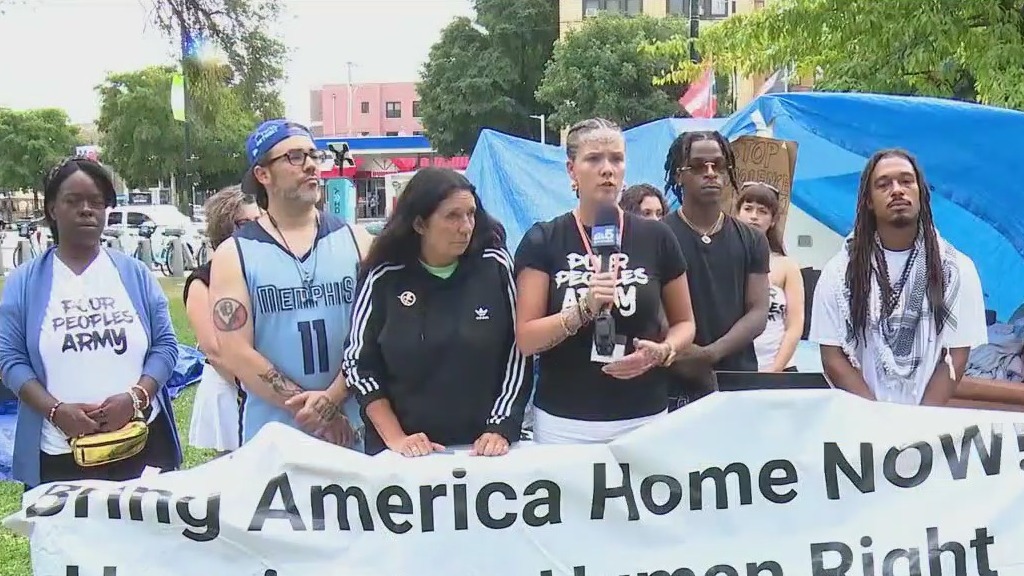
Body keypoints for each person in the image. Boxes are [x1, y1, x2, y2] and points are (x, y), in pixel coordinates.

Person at [0, 156, 181, 487]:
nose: (87, 210)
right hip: (59, 455)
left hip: (139, 445)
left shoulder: (135, 274)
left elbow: (166, 346)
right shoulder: (23, 283)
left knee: (141, 537)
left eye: (97, 202)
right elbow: (10, 360)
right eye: (74, 201)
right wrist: (56, 412)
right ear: (52, 208)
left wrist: (137, 397)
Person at [514, 118, 696, 444]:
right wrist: (583, 309)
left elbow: (685, 323)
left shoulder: (656, 236)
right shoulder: (545, 238)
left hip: (644, 417)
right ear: (572, 170)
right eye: (594, 159)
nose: (608, 169)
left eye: (616, 158)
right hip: (564, 422)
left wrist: (664, 349)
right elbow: (527, 339)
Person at [341, 168, 531, 457]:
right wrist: (396, 438)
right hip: (404, 456)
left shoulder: (495, 265)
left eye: (471, 214)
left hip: (482, 453)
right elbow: (358, 364)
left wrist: (501, 427)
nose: (466, 226)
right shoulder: (382, 277)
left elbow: (518, 353)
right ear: (419, 224)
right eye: (452, 216)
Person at [208, 119, 373, 447]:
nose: (311, 164)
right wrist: (312, 409)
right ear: (262, 174)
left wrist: (333, 399)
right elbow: (235, 350)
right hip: (275, 440)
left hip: (355, 431)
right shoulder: (235, 254)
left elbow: (376, 332)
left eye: (313, 154)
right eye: (294, 157)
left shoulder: (357, 240)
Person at [809, 149, 988, 405]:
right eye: (884, 184)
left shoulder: (956, 269)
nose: (897, 190)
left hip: (924, 427)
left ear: (920, 193)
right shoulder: (840, 273)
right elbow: (832, 356)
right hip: (861, 423)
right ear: (868, 200)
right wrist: (879, 421)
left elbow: (956, 355)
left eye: (906, 181)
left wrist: (914, 424)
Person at [662, 131, 770, 409]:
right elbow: (650, 309)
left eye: (719, 165)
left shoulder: (753, 238)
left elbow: (758, 312)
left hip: (738, 384)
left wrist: (709, 354)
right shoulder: (656, 235)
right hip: (671, 383)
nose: (710, 173)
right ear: (678, 175)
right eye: (698, 166)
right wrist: (680, 351)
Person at [184, 186, 261, 454]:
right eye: (245, 223)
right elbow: (216, 352)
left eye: (259, 221)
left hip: (267, 395)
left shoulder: (264, 273)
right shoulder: (201, 282)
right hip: (231, 392)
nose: (255, 230)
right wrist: (259, 391)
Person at [734, 182, 805, 372]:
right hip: (735, 370)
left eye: (762, 211)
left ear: (773, 220)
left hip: (779, 369)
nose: (754, 216)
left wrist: (774, 370)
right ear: (737, 213)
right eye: (748, 209)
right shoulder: (723, 261)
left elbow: (795, 325)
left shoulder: (786, 266)